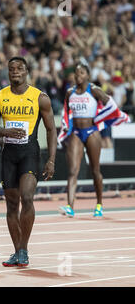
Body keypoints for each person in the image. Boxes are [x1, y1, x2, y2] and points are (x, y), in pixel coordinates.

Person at [0, 56, 57, 267]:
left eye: (19, 68)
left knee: (27, 198)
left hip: (29, 152)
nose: (15, 72)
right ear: (8, 73)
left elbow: (51, 129)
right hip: (9, 154)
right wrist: (4, 131)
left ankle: (24, 249)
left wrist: (51, 159)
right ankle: (17, 250)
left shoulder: (40, 97)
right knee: (11, 205)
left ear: (27, 71)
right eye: (11, 69)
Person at [57, 63, 129, 218]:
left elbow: (110, 103)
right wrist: (65, 126)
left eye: (82, 73)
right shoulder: (70, 93)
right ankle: (70, 206)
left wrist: (103, 117)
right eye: (76, 73)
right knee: (72, 170)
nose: (78, 76)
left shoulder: (94, 90)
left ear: (87, 75)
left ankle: (99, 204)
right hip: (76, 133)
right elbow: (66, 112)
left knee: (95, 170)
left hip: (91, 132)